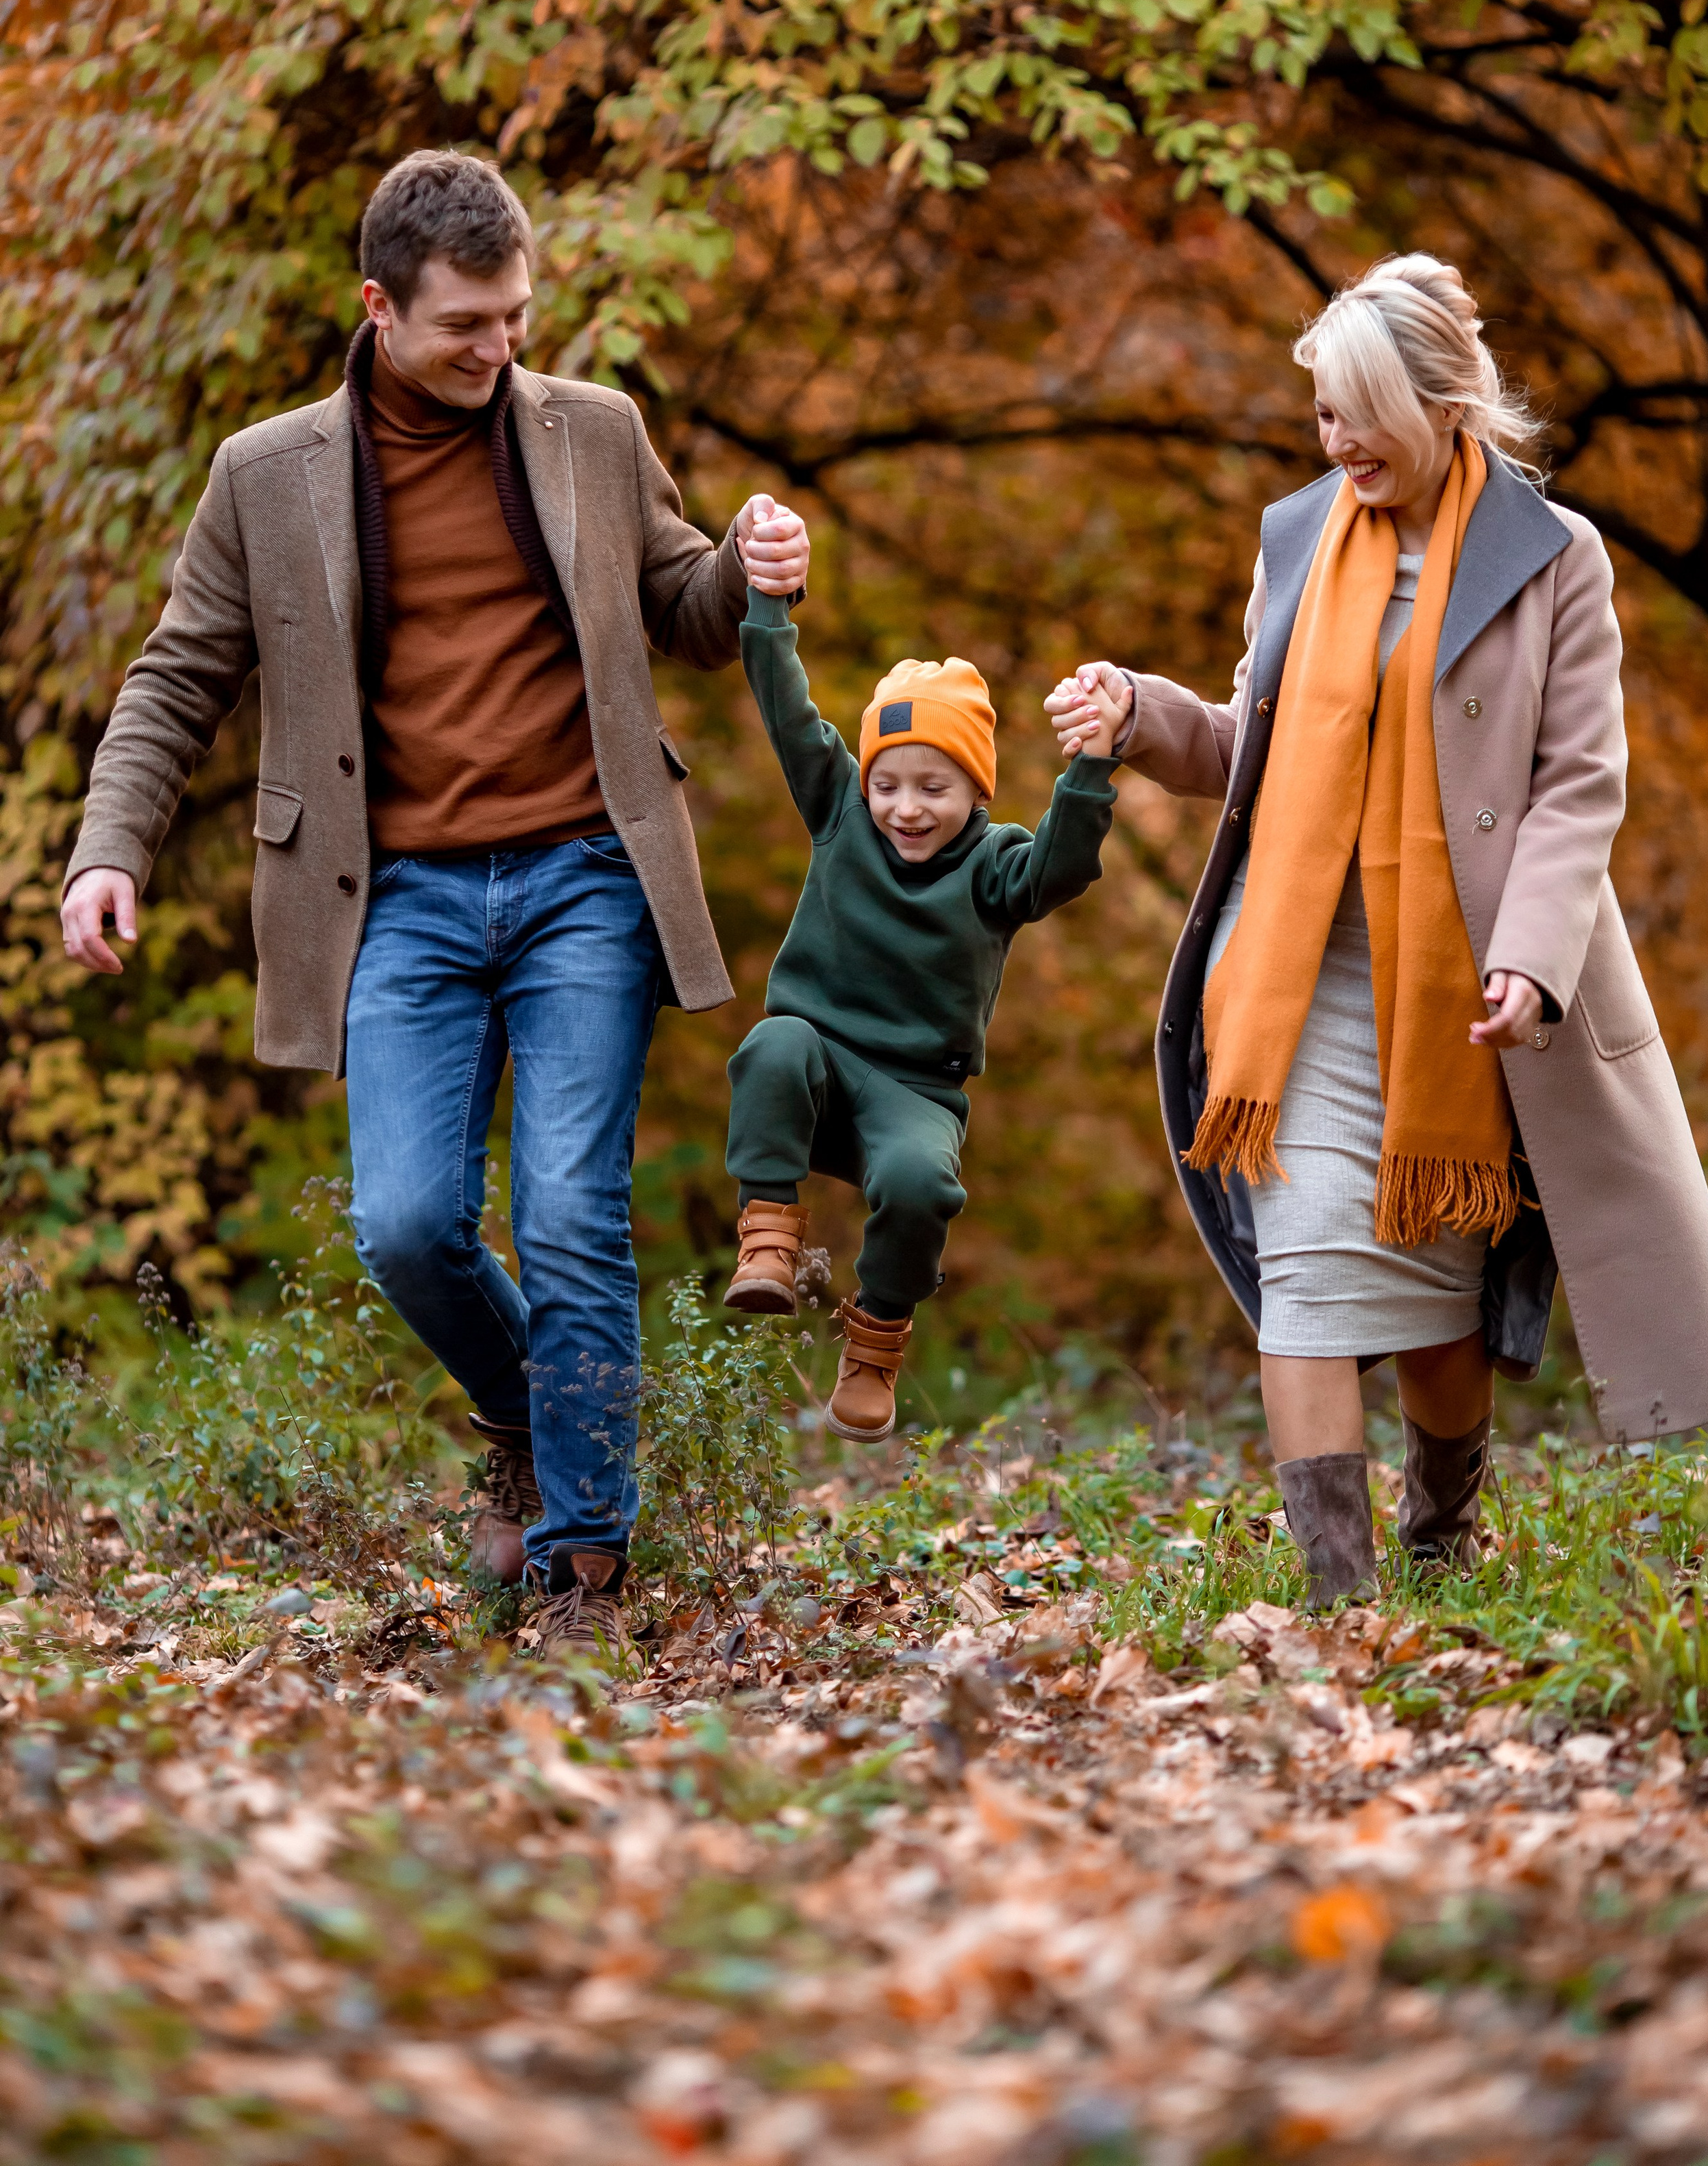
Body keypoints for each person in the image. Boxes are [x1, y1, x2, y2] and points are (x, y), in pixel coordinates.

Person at [59, 149, 811, 1652]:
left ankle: (582, 1571)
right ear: (379, 308)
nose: (499, 348)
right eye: (466, 324)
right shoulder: (265, 477)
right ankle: (528, 1418)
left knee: (571, 1213)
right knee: (406, 1222)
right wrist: (108, 847)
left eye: (515, 316)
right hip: (390, 894)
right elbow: (177, 676)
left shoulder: (591, 432)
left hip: (585, 874)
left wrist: (743, 564)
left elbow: (681, 603)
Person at [1049, 252, 1708, 1605]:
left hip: (1459, 989)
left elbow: (1575, 785)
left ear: (1444, 404)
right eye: (1323, 416)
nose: (1338, 445)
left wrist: (1530, 960)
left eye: (1360, 416)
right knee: (1307, 1283)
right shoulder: (1300, 538)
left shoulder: (1553, 561)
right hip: (1297, 975)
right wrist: (1138, 712)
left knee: (1435, 1321)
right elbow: (1239, 748)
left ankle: (1438, 1541)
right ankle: (1337, 1608)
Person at [721, 585, 1128, 1439]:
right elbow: (788, 711)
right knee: (770, 1042)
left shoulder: (993, 865)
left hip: (915, 1091)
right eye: (889, 784)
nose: (907, 808)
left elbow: (1060, 868)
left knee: (922, 1184)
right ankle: (766, 1237)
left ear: (975, 790)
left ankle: (873, 1345)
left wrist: (1089, 766)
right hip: (818, 1066)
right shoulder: (839, 814)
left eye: (934, 787)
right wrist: (767, 606)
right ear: (864, 783)